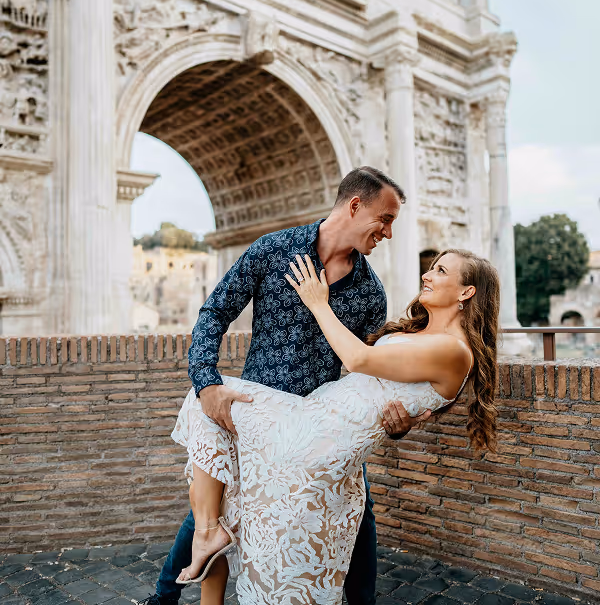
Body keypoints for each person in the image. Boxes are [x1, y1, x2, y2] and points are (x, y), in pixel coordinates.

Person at [141, 167, 427, 605]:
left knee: (359, 509)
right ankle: (162, 601)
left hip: (321, 425)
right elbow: (215, 312)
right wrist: (206, 384)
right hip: (259, 415)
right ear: (355, 206)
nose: (388, 232)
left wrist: (397, 419)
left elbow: (370, 375)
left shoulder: (370, 292)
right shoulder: (273, 251)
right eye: (384, 219)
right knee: (211, 510)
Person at [172, 248, 500, 604]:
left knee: (205, 398)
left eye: (440, 271)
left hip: (317, 438)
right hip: (312, 418)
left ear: (467, 292)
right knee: (210, 407)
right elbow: (414, 397)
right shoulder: (423, 333)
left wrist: (317, 302)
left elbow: (358, 359)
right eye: (432, 268)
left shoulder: (454, 350)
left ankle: (206, 535)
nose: (428, 275)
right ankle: (208, 538)